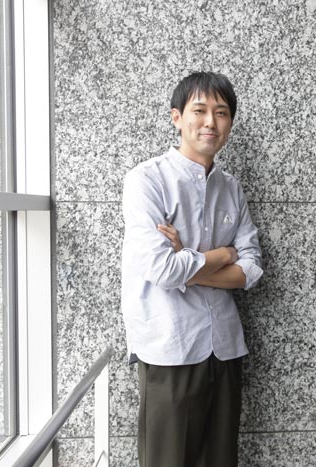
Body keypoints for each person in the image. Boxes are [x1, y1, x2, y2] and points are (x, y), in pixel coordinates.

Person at [121, 71, 263, 467]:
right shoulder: (147, 180)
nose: (210, 122)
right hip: (170, 346)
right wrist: (222, 255)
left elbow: (251, 269)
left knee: (221, 460)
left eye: (221, 113)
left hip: (225, 346)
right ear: (177, 118)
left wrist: (188, 258)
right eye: (199, 111)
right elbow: (162, 269)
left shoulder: (231, 188)